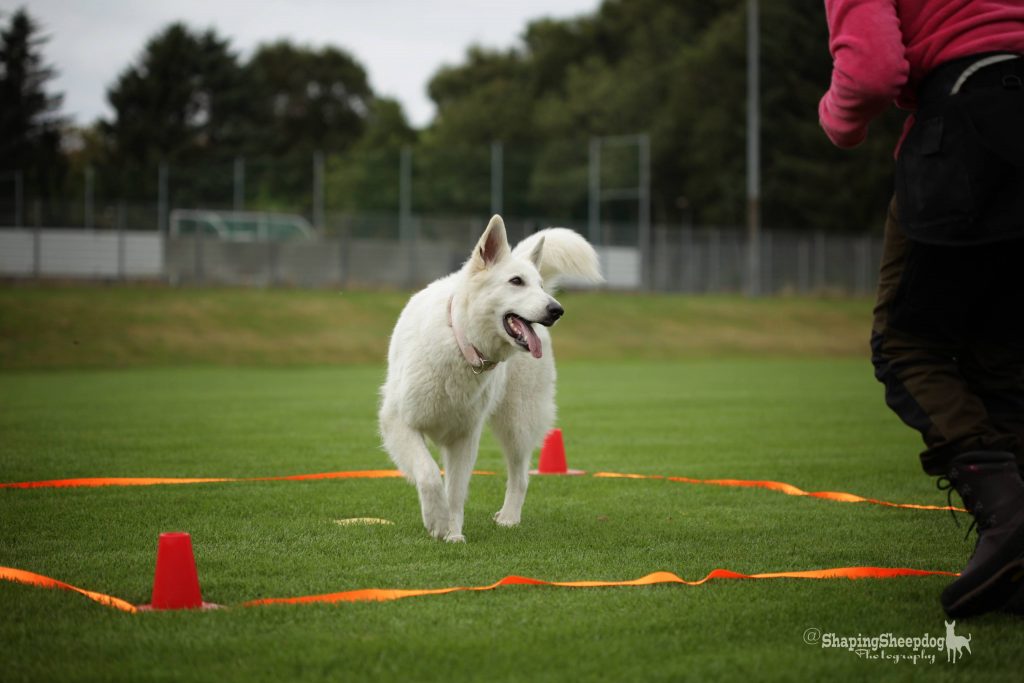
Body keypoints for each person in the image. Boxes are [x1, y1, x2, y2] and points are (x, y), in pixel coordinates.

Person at [819, 0, 1024, 618]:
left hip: (966, 120)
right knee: (1005, 350)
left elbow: (874, 68)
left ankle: (1010, 516)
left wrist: (838, 119)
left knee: (908, 345)